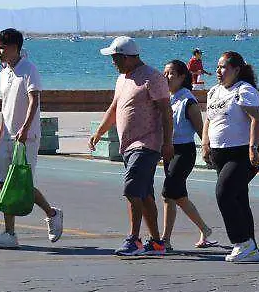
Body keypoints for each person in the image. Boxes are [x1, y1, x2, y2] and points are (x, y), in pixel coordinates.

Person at [90, 36, 173, 257]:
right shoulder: (122, 79)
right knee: (144, 194)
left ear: (127, 57)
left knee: (131, 188)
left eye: (115, 58)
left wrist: (167, 143)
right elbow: (114, 108)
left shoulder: (153, 77)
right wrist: (99, 132)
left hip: (146, 143)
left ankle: (134, 239)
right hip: (128, 145)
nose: (113, 62)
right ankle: (157, 243)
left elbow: (166, 111)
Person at [0, 28, 63, 249]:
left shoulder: (29, 69)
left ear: (14, 48)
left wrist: (25, 129)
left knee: (21, 183)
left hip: (26, 137)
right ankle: (9, 233)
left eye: (2, 48)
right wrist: (1, 131)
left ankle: (52, 214)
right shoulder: (3, 73)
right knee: (4, 183)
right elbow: (5, 106)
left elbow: (34, 101)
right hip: (7, 137)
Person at [202, 51, 259, 263]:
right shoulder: (214, 92)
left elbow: (257, 119)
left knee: (224, 194)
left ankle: (241, 242)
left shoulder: (244, 90)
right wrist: (205, 144)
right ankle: (250, 246)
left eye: (223, 67)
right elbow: (209, 120)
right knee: (238, 197)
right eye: (218, 67)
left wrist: (253, 148)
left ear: (237, 70)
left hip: (243, 152)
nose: (218, 71)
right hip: (221, 152)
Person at [160, 60, 215, 251]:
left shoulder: (188, 101)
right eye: (164, 73)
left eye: (170, 73)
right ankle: (204, 229)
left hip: (184, 152)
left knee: (168, 193)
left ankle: (165, 240)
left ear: (182, 77)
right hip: (168, 151)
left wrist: (209, 152)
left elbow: (201, 131)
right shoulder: (167, 98)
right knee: (177, 196)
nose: (166, 77)